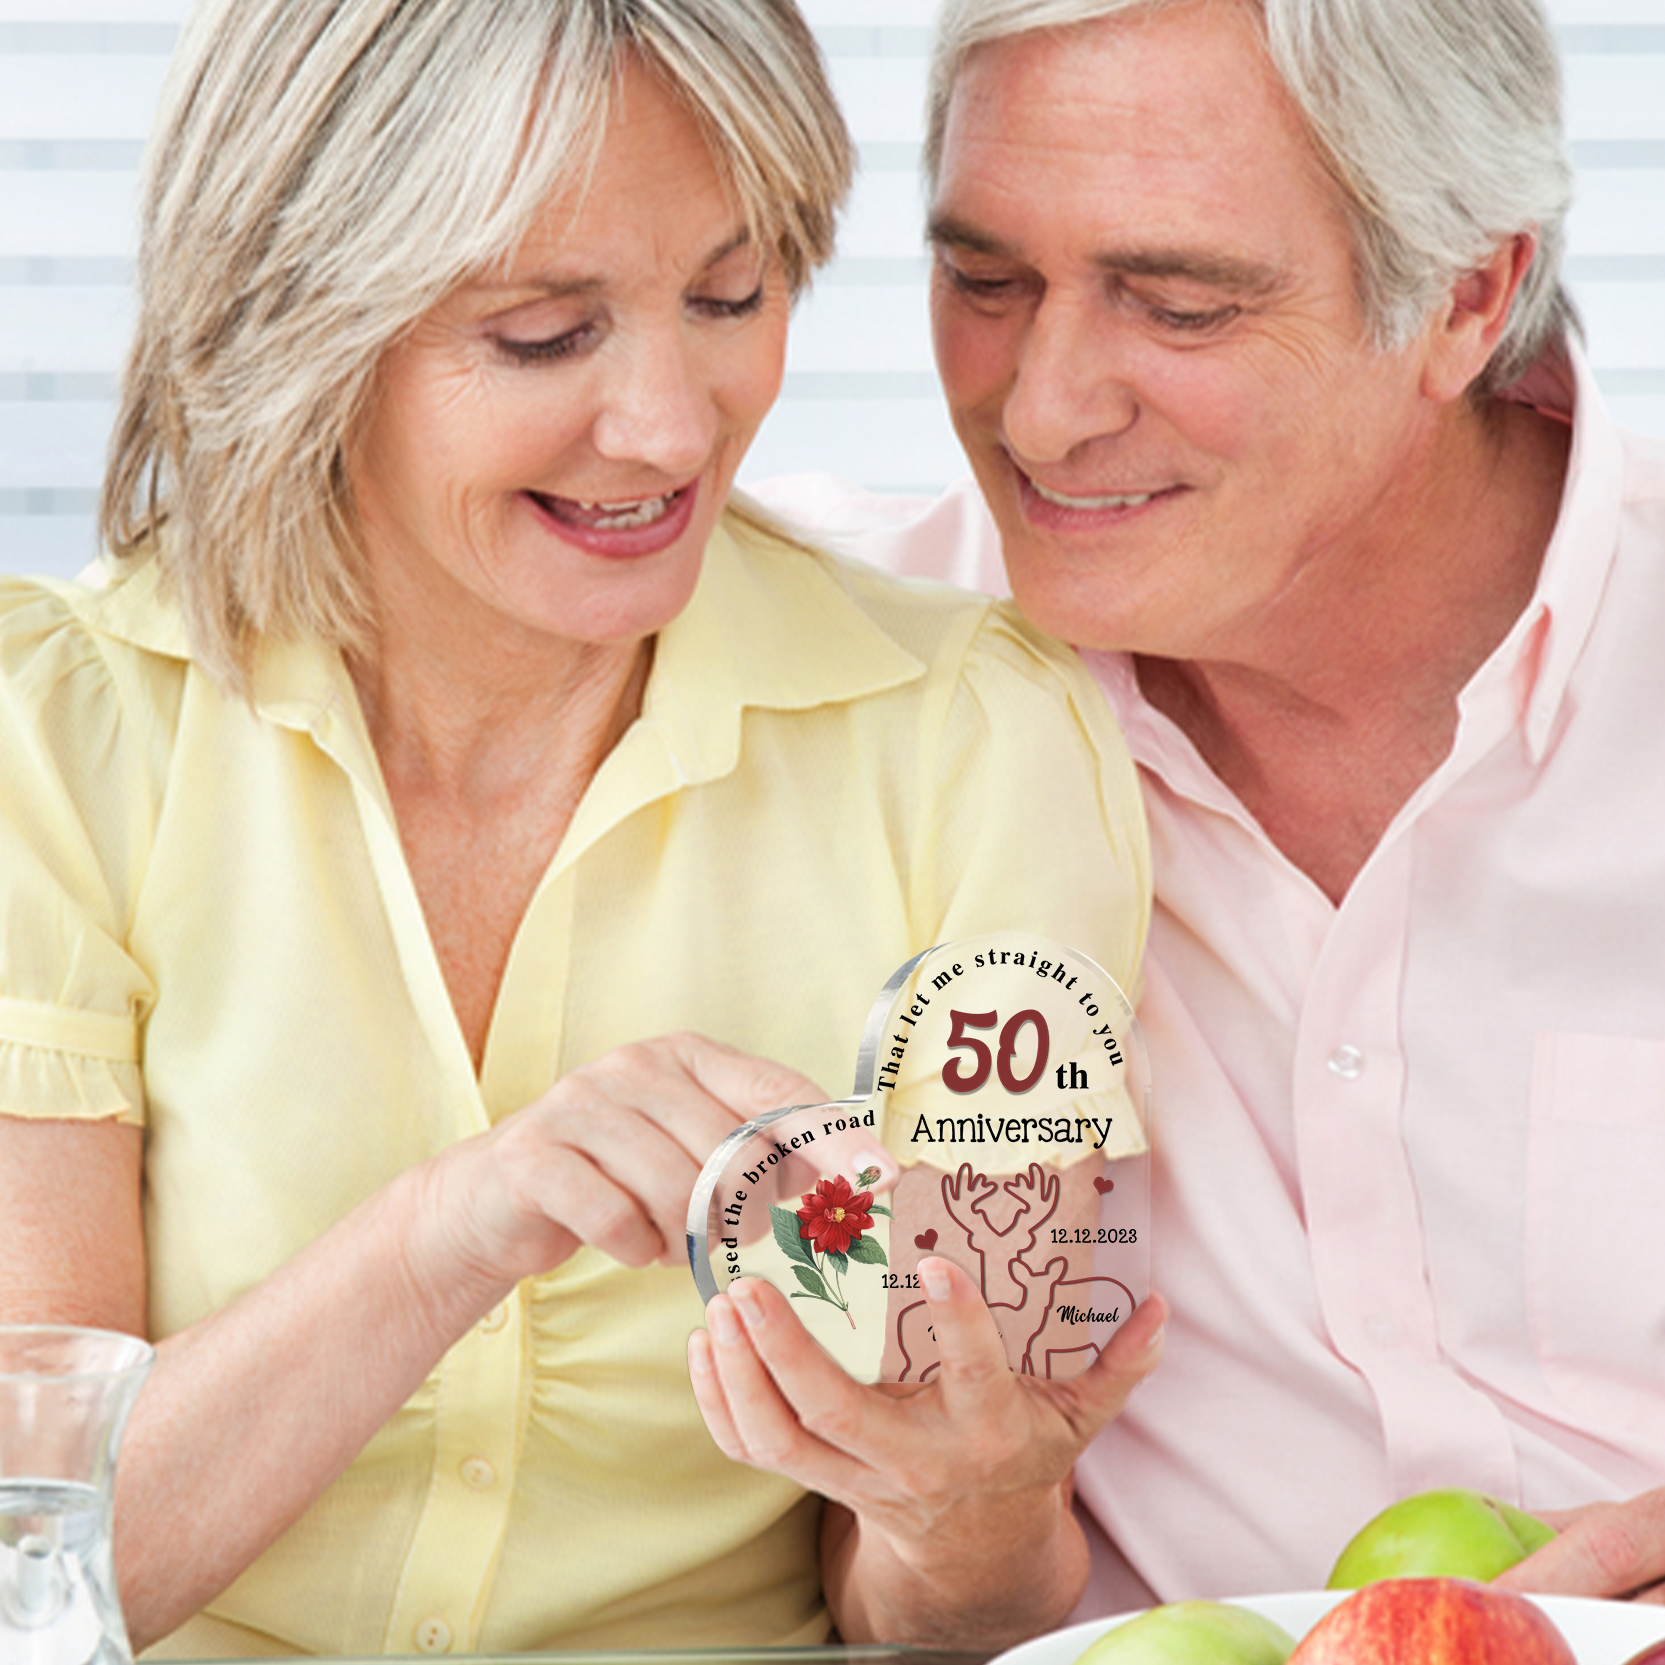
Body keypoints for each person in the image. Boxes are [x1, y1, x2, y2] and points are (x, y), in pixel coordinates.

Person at [0, 0, 1156, 1655]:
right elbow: (31, 1568)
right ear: (299, 322)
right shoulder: (54, 736)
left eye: (730, 297)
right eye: (545, 333)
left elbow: (948, 1603)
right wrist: (444, 1236)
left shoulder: (975, 739)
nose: (673, 427)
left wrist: (962, 1512)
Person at [731, 0, 1665, 1618]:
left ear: (1464, 294)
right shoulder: (846, 691)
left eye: (1177, 306)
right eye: (984, 281)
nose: (1040, 412)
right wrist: (958, 1519)